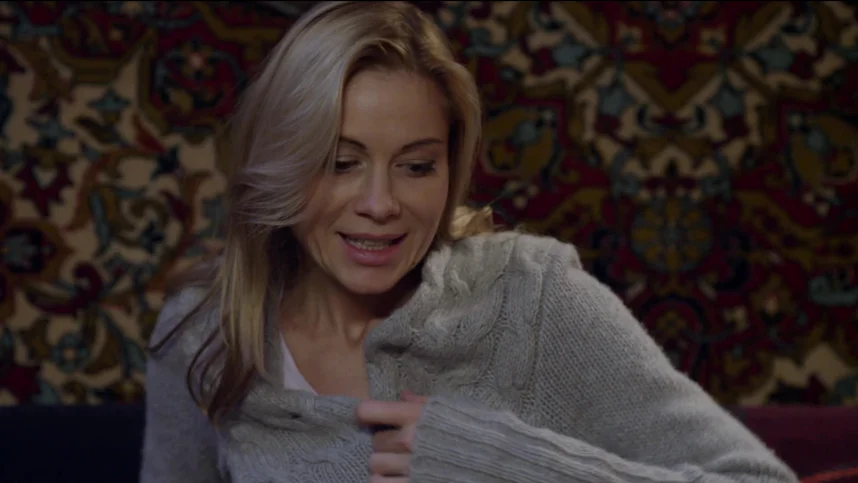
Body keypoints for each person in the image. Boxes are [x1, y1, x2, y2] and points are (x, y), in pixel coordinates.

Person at [140, 2, 798, 482]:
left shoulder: (533, 298)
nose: (380, 204)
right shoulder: (205, 330)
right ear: (283, 162)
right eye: (340, 163)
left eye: (416, 165)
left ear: (451, 167)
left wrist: (514, 466)